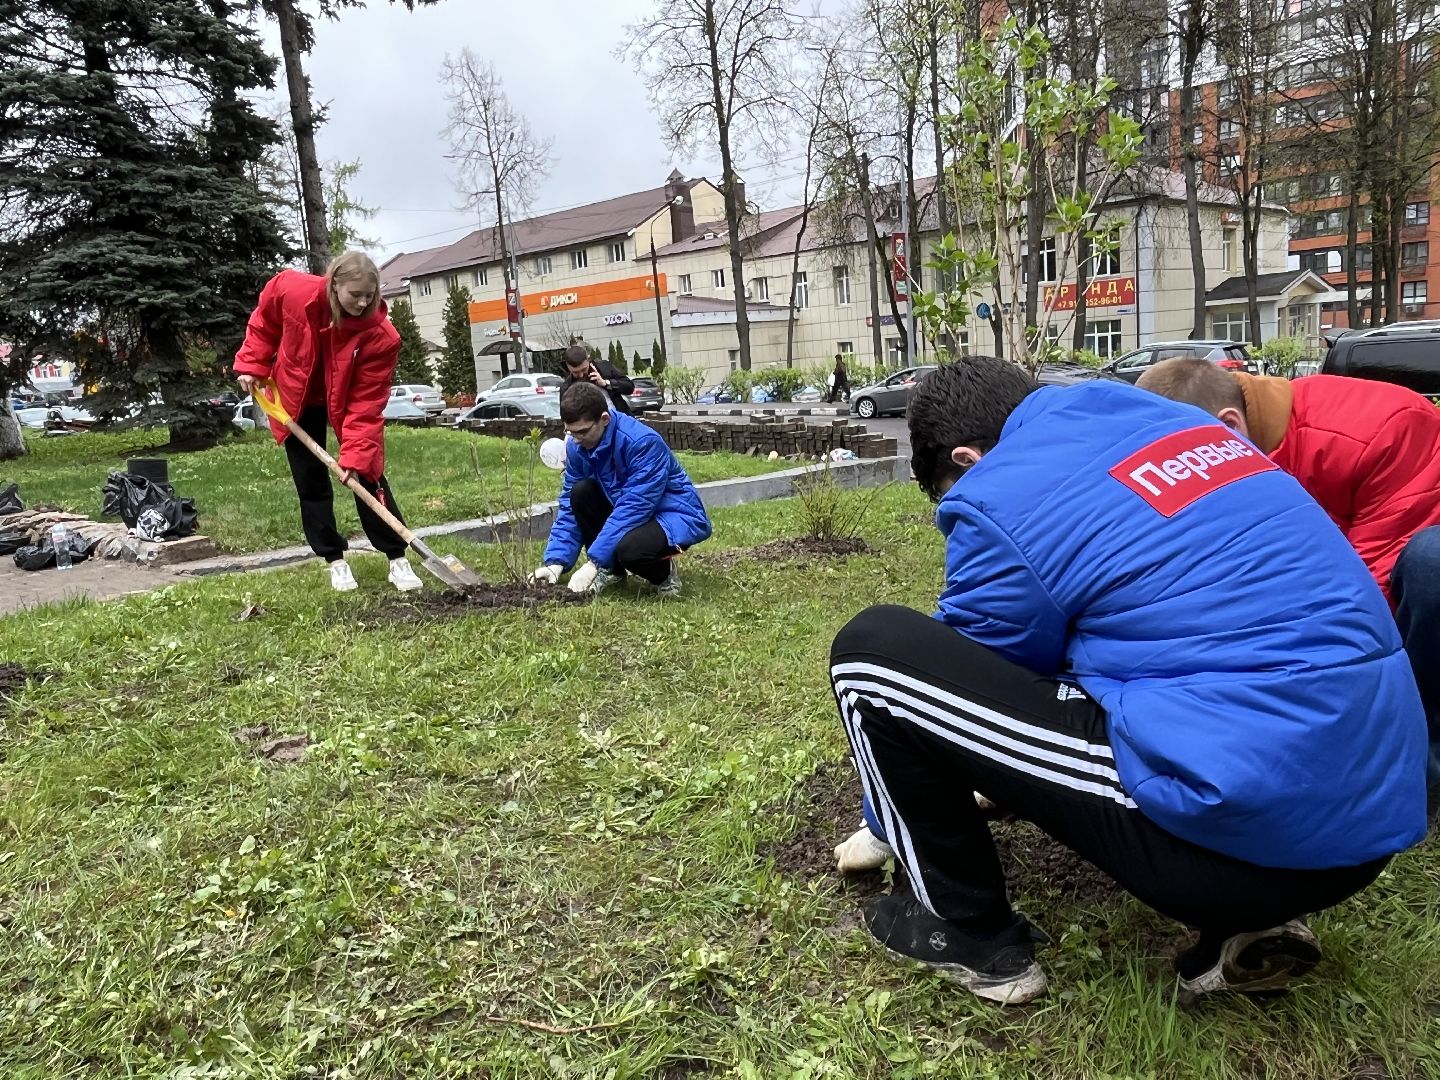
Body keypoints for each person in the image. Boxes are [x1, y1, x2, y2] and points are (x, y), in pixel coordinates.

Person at [829, 356, 1425, 1005]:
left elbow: (959, 684)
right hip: (1372, 819)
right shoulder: (1176, 423)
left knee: (873, 652)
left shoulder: (1001, 489)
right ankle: (1248, 927)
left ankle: (966, 932)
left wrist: (884, 821)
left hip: (1240, 849)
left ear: (969, 461)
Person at [1136, 358, 1440, 790]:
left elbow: (1373, 598)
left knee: (1430, 564)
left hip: (1410, 578)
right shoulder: (1222, 430)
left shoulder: (1382, 428)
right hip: (1346, 574)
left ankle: (1419, 756)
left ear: (1230, 426)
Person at [234, 252, 423, 593]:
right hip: (296, 395)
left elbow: (366, 404)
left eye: (369, 295)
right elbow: (264, 321)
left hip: (347, 398)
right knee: (310, 479)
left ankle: (396, 556)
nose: (362, 303)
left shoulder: (381, 336)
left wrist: (354, 457)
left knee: (367, 473)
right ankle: (334, 559)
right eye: (355, 294)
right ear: (334, 284)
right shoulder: (292, 290)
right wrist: (252, 363)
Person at [530, 382, 711, 597]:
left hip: (673, 513)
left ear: (604, 419)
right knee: (581, 492)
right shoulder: (577, 446)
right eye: (570, 432)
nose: (576, 440)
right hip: (627, 508)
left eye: (582, 432)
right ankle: (612, 571)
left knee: (631, 551)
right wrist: (555, 562)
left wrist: (593, 563)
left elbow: (635, 507)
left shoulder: (642, 442)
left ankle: (663, 574)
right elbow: (569, 506)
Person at [561, 343, 634, 414]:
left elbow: (629, 387)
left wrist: (606, 383)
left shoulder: (605, 368)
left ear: (588, 360)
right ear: (568, 367)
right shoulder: (566, 388)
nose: (581, 375)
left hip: (620, 418)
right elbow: (567, 415)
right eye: (575, 372)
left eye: (584, 369)